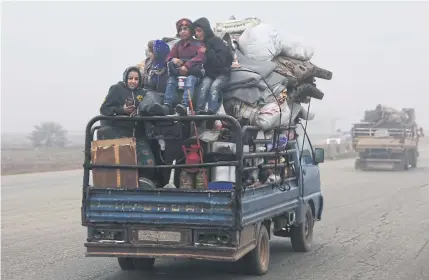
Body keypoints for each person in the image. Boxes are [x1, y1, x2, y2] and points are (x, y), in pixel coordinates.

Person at [162, 18, 206, 116]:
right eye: (180, 30)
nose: (183, 31)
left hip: (194, 74)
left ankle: (185, 106)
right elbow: (168, 57)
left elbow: (201, 57)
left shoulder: (198, 44)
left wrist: (187, 65)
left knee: (190, 81)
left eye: (185, 29)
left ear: (191, 30)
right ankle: (166, 105)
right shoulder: (177, 45)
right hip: (179, 74)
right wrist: (173, 59)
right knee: (171, 81)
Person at [193, 17, 233, 115]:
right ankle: (199, 112)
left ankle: (212, 113)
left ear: (205, 30)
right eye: (195, 32)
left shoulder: (217, 41)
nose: (197, 34)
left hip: (222, 73)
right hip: (209, 74)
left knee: (214, 87)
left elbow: (221, 61)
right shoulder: (199, 44)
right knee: (203, 87)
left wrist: (207, 52)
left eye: (199, 31)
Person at [99, 66, 145, 138]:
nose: (133, 81)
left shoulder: (142, 92)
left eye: (136, 79)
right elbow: (104, 109)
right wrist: (122, 110)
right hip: (119, 133)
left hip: (138, 134)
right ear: (125, 78)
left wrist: (138, 111)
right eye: (130, 78)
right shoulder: (116, 89)